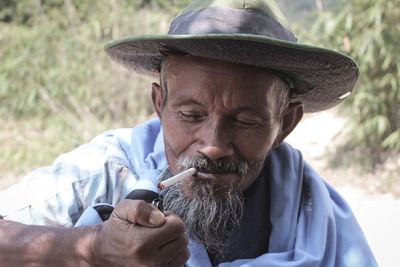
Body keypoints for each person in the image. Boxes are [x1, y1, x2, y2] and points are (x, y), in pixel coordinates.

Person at [0, 0, 377, 266]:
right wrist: (92, 248)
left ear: (286, 123)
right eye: (191, 114)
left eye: (245, 121)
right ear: (159, 103)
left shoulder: (310, 212)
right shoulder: (106, 173)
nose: (213, 145)